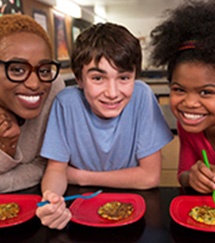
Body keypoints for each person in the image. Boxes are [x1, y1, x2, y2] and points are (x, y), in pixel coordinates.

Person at [36, 22, 173, 229]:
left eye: (124, 77)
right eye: (98, 78)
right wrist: (51, 199)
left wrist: (80, 176)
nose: (112, 92)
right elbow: (56, 171)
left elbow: (149, 177)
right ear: (79, 78)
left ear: (135, 76)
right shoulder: (65, 103)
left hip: (133, 208)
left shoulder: (142, 95)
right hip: (79, 207)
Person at [149, 0, 215, 194]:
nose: (190, 104)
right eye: (179, 90)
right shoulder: (189, 125)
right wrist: (193, 177)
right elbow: (183, 174)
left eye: (206, 92)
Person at [0, 14, 65, 192]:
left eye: (44, 70)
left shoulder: (53, 86)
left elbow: (46, 166)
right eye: (18, 70)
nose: (34, 84)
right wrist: (6, 147)